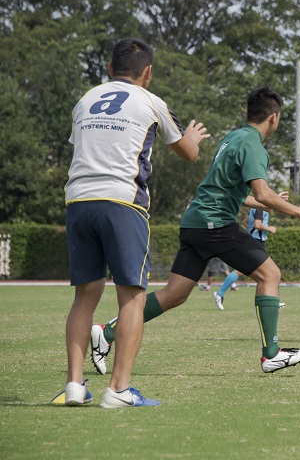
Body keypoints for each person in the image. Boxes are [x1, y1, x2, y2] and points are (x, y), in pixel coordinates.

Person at [89, 87, 300, 376]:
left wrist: (274, 204)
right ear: (274, 118)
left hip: (195, 222)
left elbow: (233, 192)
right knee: (270, 275)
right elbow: (262, 193)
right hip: (215, 224)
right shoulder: (254, 146)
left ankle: (106, 331)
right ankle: (271, 355)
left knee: (174, 294)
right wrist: (298, 210)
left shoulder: (233, 138)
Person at [63, 37, 209, 407]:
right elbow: (188, 153)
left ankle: (75, 387)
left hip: (78, 202)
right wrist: (191, 136)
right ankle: (118, 390)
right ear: (147, 72)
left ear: (111, 68)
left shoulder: (85, 100)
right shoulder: (151, 101)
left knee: (85, 296)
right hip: (122, 202)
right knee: (131, 298)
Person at [212, 205, 281, 310]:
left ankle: (272, 301)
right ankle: (220, 293)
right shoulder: (260, 208)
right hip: (256, 243)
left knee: (265, 272)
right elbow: (257, 225)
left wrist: (260, 233)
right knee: (268, 272)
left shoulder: (254, 207)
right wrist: (269, 228)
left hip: (255, 241)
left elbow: (245, 221)